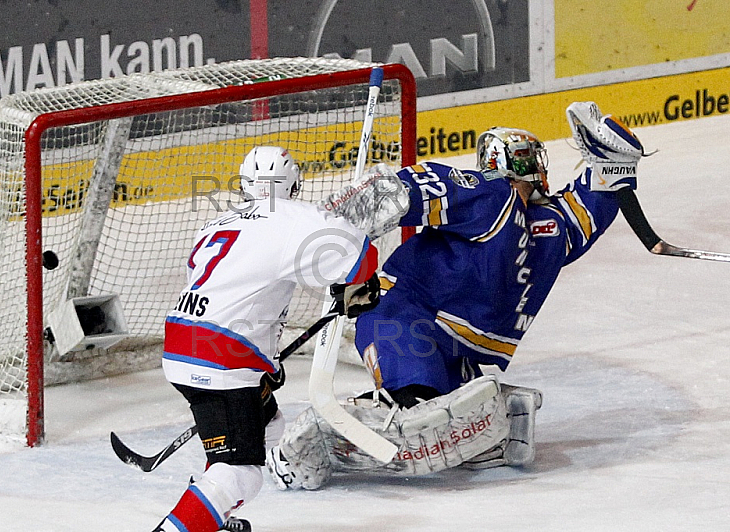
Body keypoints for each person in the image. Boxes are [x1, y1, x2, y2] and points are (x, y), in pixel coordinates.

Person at [266, 101, 646, 489]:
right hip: (402, 317)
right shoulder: (492, 195)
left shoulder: (552, 224)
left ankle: (467, 431)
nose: (536, 165)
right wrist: (331, 225)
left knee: (449, 413)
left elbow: (599, 194)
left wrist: (615, 159)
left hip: (456, 345)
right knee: (417, 406)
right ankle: (317, 441)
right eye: (528, 157)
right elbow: (411, 189)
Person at [153, 146, 382, 532]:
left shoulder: (216, 223)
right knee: (243, 475)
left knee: (270, 426)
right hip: (223, 357)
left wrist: (262, 361)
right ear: (293, 184)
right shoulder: (295, 217)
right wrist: (356, 276)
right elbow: (363, 260)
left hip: (181, 344)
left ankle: (212, 513)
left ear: (244, 184)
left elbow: (235, 289)